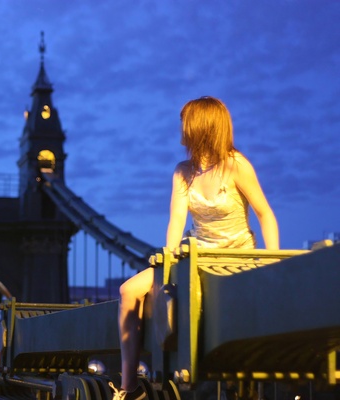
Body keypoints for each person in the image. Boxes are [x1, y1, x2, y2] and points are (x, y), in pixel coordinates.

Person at [109, 96, 279, 400]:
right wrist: (167, 266)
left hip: (235, 257)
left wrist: (271, 259)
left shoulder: (236, 165)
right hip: (196, 256)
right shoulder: (182, 171)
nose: (180, 127)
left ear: (200, 127)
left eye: (184, 121)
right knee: (128, 290)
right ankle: (129, 388)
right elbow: (176, 221)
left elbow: (265, 213)